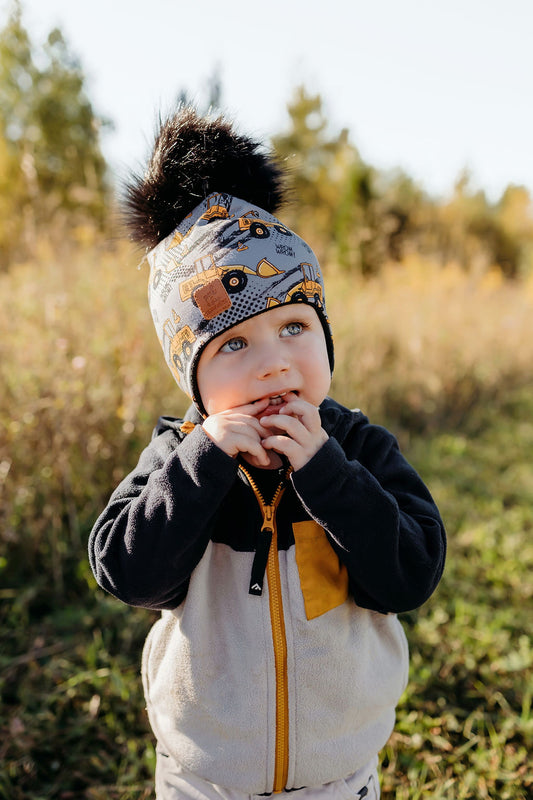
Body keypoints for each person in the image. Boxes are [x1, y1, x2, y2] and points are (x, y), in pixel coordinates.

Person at [89, 107, 446, 800]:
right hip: (205, 775)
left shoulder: (356, 447)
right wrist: (202, 463)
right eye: (233, 343)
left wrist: (328, 475)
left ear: (324, 336)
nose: (274, 362)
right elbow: (127, 574)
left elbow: (409, 576)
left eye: (293, 328)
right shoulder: (179, 455)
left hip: (337, 773)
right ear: (192, 375)